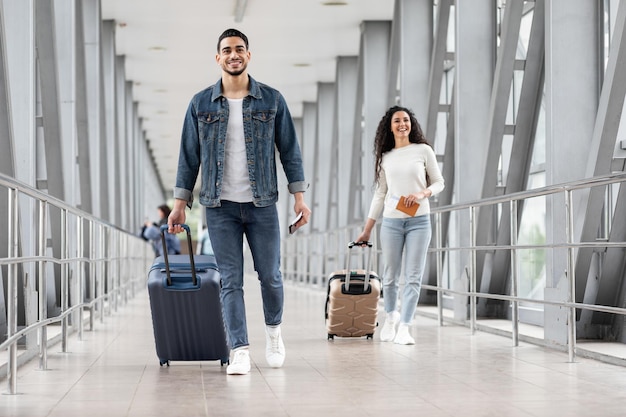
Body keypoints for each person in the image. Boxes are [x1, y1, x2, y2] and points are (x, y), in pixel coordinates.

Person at [167, 28, 311, 375]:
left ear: (249, 55)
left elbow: (289, 151)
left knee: (271, 277)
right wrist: (180, 203)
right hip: (219, 207)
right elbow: (189, 157)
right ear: (218, 58)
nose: (234, 55)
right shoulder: (200, 103)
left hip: (262, 204)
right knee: (231, 279)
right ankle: (240, 348)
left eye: (240, 49)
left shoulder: (272, 100)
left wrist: (300, 199)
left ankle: (274, 333)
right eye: (227, 50)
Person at [355, 106, 444, 345]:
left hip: (420, 221)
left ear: (411, 124)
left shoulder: (423, 150)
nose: (402, 124)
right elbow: (381, 193)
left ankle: (405, 327)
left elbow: (439, 182)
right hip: (392, 222)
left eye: (406, 120)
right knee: (391, 276)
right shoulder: (386, 157)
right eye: (397, 121)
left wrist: (424, 192)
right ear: (390, 126)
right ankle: (391, 318)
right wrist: (367, 229)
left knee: (413, 276)